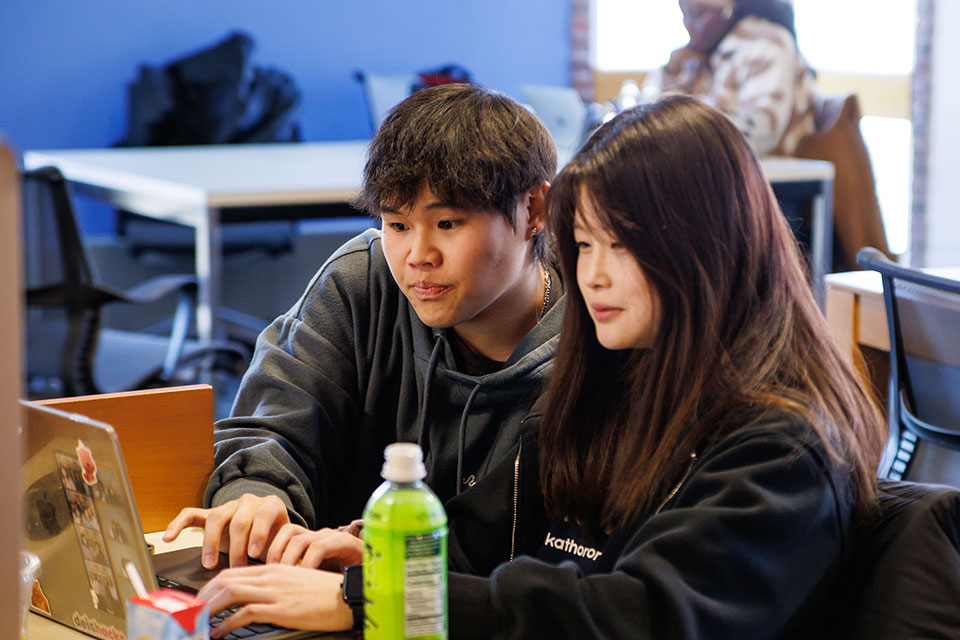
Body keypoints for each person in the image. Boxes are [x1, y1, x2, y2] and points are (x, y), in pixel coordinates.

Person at [193, 95, 887, 638]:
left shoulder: (784, 440)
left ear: (710, 246)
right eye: (584, 245)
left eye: (622, 245)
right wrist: (369, 556)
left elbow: (641, 614)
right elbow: (481, 539)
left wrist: (380, 597)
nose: (594, 276)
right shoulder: (627, 374)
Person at [163, 83, 563, 572]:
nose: (418, 256)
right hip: (334, 600)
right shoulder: (362, 283)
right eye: (398, 225)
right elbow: (271, 427)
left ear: (533, 210)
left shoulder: (597, 338)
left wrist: (389, 567)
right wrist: (256, 497)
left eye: (448, 224)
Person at [642, 0, 818, 156]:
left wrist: (680, 131)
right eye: (684, 13)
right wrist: (671, 71)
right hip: (713, 169)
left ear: (727, 11)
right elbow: (651, 117)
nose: (689, 24)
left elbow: (761, 134)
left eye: (698, 14)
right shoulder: (697, 54)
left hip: (769, 175)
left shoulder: (768, 42)